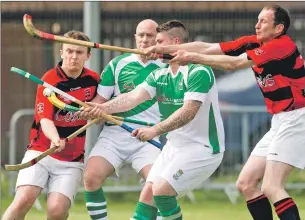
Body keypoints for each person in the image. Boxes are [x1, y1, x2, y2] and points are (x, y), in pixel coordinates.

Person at [145, 5, 304, 220]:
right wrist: (167, 51)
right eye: (257, 20)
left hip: (297, 118)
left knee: (272, 186)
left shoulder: (280, 46)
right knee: (246, 183)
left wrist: (192, 58)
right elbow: (208, 47)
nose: (257, 25)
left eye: (263, 22)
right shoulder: (255, 42)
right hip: (280, 120)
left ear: (279, 28)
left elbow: (234, 63)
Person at [80, 20, 225, 220]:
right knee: (149, 193)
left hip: (203, 148)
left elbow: (188, 112)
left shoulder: (198, 71)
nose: (152, 46)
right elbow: (132, 98)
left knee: (161, 191)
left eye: (158, 41)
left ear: (175, 43)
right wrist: (102, 107)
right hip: (175, 146)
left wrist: (154, 130)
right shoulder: (160, 74)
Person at [2, 31, 100, 220]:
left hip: (71, 160)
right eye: (69, 51)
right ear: (61, 52)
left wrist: (99, 111)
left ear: (88, 55)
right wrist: (55, 138)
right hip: (41, 152)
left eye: (79, 53)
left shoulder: (94, 80)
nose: (73, 57)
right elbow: (44, 119)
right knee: (23, 200)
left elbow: (102, 106)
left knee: (57, 211)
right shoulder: (49, 81)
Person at [79, 19, 166, 220]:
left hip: (147, 136)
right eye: (141, 35)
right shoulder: (117, 64)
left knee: (159, 184)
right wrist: (92, 111)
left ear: (158, 38)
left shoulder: (165, 66)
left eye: (150, 35)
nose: (145, 40)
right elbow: (100, 101)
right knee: (91, 177)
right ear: (135, 37)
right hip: (115, 133)